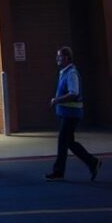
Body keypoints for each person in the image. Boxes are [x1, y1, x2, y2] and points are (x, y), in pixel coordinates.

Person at [45, 46, 101, 181]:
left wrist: (57, 100)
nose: (57, 59)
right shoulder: (64, 72)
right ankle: (93, 162)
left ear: (66, 58)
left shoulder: (71, 74)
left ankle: (58, 172)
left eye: (59, 56)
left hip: (72, 114)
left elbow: (74, 93)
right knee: (69, 142)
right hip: (68, 114)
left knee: (62, 141)